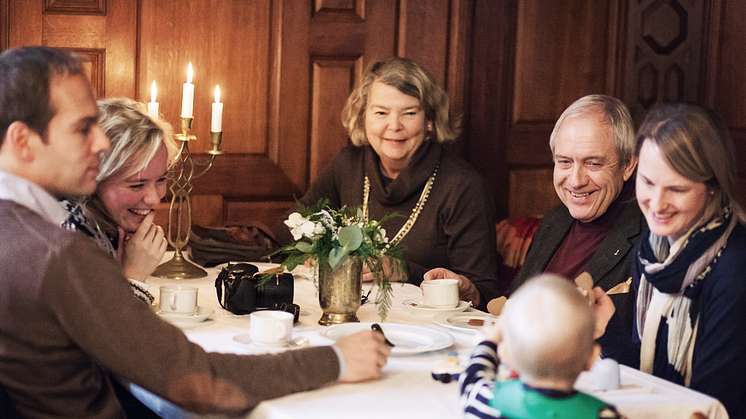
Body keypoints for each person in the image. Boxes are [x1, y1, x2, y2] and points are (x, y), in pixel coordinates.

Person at [0, 46, 390, 419]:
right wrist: (337, 359)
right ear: (23, 141)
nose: (100, 143)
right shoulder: (58, 252)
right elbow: (200, 384)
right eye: (83, 128)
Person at [283, 57, 500, 309]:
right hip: (350, 312)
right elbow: (291, 224)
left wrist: (402, 269)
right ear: (363, 117)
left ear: (430, 120)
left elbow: (484, 293)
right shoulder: (347, 165)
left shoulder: (464, 186)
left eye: (409, 113)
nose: (394, 126)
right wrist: (318, 252)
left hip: (426, 328)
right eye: (381, 112)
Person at [596, 103, 746, 418]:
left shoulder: (734, 269)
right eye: (648, 182)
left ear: (713, 188)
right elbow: (649, 380)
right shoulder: (652, 251)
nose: (657, 204)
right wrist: (606, 329)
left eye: (676, 189)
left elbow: (713, 405)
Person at [460, 274, 625, 419]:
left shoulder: (487, 401)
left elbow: (474, 375)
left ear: (505, 355)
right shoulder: (604, 414)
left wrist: (495, 334)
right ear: (591, 358)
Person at [62, 98, 177, 304]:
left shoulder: (107, 228)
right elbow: (108, 334)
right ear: (92, 178)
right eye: (136, 185)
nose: (154, 198)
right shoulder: (70, 234)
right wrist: (134, 276)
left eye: (161, 179)